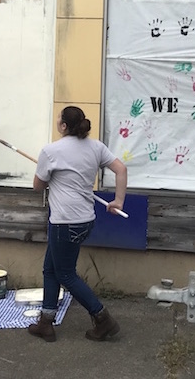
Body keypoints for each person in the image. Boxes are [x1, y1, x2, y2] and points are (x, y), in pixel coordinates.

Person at [28, 105, 128, 343]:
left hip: (65, 222)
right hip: (85, 220)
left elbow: (37, 186)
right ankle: (46, 322)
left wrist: (49, 175)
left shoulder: (51, 151)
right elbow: (121, 169)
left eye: (58, 120)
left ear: (64, 126)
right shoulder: (96, 147)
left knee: (65, 274)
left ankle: (103, 318)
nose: (57, 123)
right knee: (50, 269)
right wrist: (119, 201)